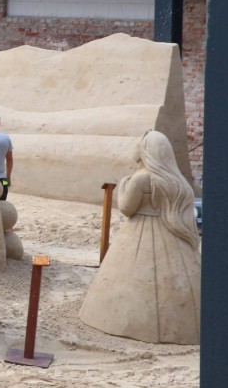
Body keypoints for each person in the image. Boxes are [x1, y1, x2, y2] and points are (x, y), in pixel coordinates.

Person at [79, 130, 201, 343]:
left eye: (139, 145)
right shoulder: (176, 180)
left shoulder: (141, 179)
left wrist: (124, 184)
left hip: (139, 232)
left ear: (146, 151)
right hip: (171, 237)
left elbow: (126, 208)